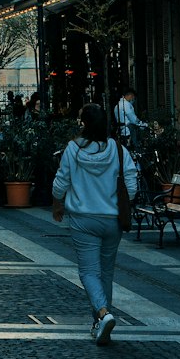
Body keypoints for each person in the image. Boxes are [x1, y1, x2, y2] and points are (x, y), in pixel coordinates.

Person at [51, 102, 138, 345]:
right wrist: (120, 203)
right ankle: (100, 321)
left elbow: (61, 182)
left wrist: (57, 202)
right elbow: (131, 185)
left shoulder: (73, 150)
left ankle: (103, 313)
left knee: (89, 271)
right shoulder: (118, 150)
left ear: (84, 124)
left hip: (83, 219)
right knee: (106, 272)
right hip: (112, 220)